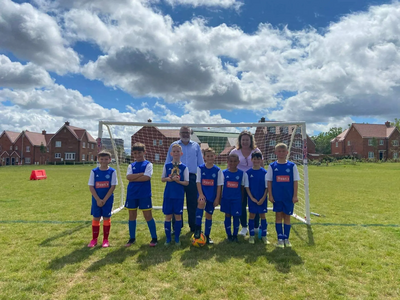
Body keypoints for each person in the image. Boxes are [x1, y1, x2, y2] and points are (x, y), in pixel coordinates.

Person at [165, 126, 204, 233]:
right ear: (179, 133)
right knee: (176, 202)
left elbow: (200, 163)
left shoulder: (196, 146)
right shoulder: (174, 145)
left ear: (190, 133)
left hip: (191, 177)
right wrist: (170, 176)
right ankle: (177, 227)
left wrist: (201, 177)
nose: (185, 134)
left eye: (187, 132)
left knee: (192, 203)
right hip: (177, 176)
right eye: (183, 132)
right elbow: (168, 161)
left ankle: (193, 227)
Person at [230, 130, 263, 236]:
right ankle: (244, 227)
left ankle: (255, 226)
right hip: (240, 181)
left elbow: (261, 166)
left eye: (247, 140)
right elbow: (229, 167)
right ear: (240, 140)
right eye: (243, 139)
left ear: (251, 140)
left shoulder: (256, 150)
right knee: (242, 203)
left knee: (255, 202)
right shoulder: (234, 152)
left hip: (254, 181)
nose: (245, 142)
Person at [266, 143, 300, 248]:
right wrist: (270, 195)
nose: (281, 153)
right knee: (278, 216)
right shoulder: (272, 166)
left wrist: (295, 196)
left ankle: (286, 238)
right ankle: (280, 238)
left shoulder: (292, 166)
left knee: (287, 217)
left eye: (283, 151)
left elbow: (295, 181)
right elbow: (269, 182)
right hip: (277, 197)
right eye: (279, 151)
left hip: (288, 197)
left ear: (287, 152)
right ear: (275, 153)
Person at [125, 142, 158, 247]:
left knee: (148, 216)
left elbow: (147, 177)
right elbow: (128, 177)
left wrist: (135, 177)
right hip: (132, 194)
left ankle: (154, 238)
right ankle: (132, 238)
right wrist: (140, 175)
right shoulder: (131, 165)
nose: (137, 155)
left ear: (144, 152)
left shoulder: (148, 164)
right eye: (135, 153)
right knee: (132, 215)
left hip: (144, 194)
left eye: (139, 153)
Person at [87, 151, 118, 248]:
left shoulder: (112, 171)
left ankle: (105, 239)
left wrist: (104, 200)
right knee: (96, 217)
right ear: (98, 160)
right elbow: (91, 186)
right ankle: (94, 239)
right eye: (101, 159)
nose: (104, 161)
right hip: (96, 199)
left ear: (109, 160)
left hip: (107, 199)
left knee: (106, 217)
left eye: (106, 159)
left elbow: (112, 186)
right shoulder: (94, 171)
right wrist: (98, 199)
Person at [194, 147, 224, 244]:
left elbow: (219, 185)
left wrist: (217, 198)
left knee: (209, 215)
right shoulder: (200, 168)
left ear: (214, 157)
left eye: (212, 156)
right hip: (202, 193)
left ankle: (207, 236)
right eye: (208, 156)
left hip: (212, 195)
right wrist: (201, 194)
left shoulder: (218, 170)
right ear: (204, 157)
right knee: (201, 203)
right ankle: (197, 229)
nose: (210, 158)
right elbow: (198, 182)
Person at [162, 144, 189, 246]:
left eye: (178, 151)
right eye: (174, 151)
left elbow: (186, 182)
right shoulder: (167, 166)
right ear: (171, 153)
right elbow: (162, 179)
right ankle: (168, 238)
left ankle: (177, 238)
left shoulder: (184, 167)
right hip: (168, 195)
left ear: (181, 153)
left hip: (179, 195)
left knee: (178, 217)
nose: (176, 153)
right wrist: (169, 179)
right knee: (168, 216)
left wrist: (179, 181)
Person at [244, 152, 270, 244]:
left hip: (262, 199)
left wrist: (263, 198)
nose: (256, 161)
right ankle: (251, 236)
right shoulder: (248, 173)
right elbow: (247, 187)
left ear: (261, 160)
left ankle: (264, 236)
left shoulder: (265, 173)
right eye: (254, 159)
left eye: (258, 159)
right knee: (252, 216)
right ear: (251, 160)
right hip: (252, 199)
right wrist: (252, 198)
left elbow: (267, 187)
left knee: (263, 216)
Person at [220, 153, 245, 242]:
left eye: (235, 161)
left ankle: (235, 235)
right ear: (227, 162)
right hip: (226, 199)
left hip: (236, 199)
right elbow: (220, 186)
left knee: (236, 216)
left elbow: (242, 188)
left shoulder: (241, 174)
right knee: (227, 215)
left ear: (238, 162)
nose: (233, 163)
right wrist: (220, 198)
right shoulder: (223, 173)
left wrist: (241, 199)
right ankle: (229, 235)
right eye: (231, 161)